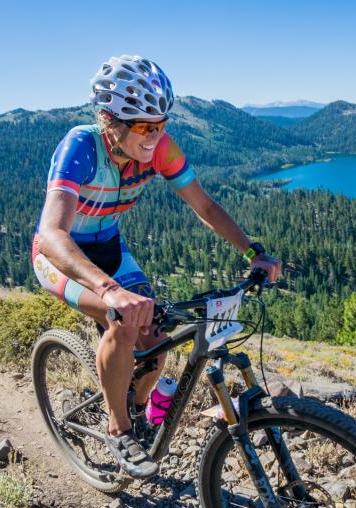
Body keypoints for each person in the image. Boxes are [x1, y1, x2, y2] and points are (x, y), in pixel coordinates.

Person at [31, 55, 281, 478]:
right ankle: (118, 429)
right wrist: (110, 291)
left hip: (109, 246)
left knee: (156, 339)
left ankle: (134, 406)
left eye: (162, 124)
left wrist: (252, 251)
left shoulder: (161, 149)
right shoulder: (81, 146)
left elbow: (205, 206)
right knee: (122, 322)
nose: (156, 136)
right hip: (60, 257)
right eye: (145, 127)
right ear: (110, 120)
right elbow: (53, 234)